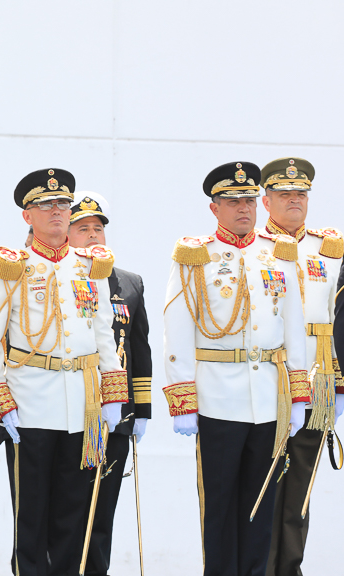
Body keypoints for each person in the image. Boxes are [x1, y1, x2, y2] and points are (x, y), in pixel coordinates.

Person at [0, 169, 128, 576]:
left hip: (82, 406)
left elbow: (103, 335)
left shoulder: (89, 266)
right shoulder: (13, 265)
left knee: (73, 515)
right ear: (28, 216)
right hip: (30, 404)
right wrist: (0, 398)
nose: (58, 211)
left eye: (63, 203)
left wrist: (113, 394)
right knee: (31, 516)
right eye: (46, 205)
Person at [162, 161, 308, 576]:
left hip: (268, 399)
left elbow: (293, 328)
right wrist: (183, 399)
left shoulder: (278, 253)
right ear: (215, 208)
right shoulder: (195, 255)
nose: (243, 208)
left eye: (248, 199)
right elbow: (178, 327)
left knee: (261, 506)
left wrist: (298, 395)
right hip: (217, 397)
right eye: (232, 201)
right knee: (220, 507)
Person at [258, 158, 344, 576]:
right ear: (266, 199)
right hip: (265, 383)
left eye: (301, 193)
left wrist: (338, 385)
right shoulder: (253, 246)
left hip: (316, 384)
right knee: (258, 488)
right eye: (285, 193)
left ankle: (288, 569)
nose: (295, 200)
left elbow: (339, 317)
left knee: (299, 494)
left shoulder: (328, 249)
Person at [67, 191, 152, 576]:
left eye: (97, 229)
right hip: (70, 412)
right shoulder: (60, 276)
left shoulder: (129, 284)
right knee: (66, 513)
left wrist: (142, 411)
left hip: (116, 416)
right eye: (82, 229)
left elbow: (140, 348)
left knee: (102, 514)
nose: (92, 236)